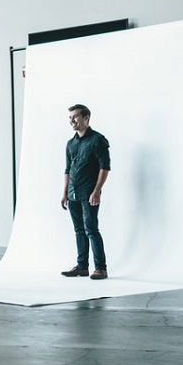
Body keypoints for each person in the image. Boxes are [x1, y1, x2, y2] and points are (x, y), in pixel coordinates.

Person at [60, 104, 111, 280]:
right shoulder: (70, 143)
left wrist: (97, 191)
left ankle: (101, 268)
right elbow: (67, 169)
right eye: (70, 118)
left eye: (75, 117)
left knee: (91, 229)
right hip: (73, 193)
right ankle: (82, 267)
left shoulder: (98, 140)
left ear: (86, 118)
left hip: (89, 193)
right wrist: (65, 192)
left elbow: (105, 168)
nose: (72, 121)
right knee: (78, 230)